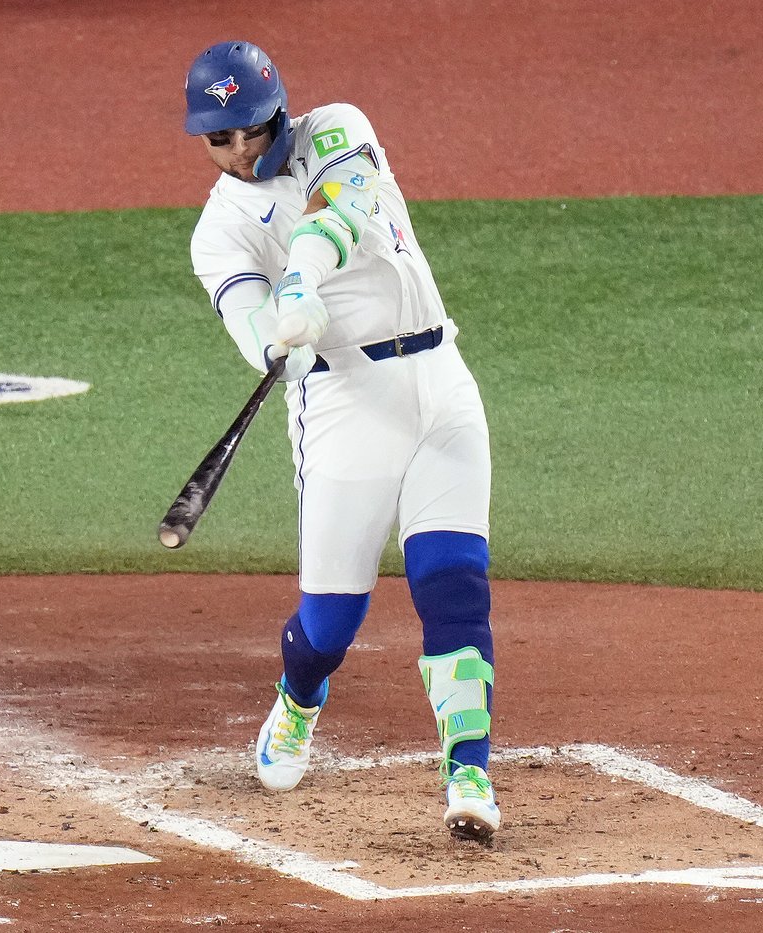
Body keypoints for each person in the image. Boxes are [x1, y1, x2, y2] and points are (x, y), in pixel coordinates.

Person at [183, 41, 500, 841]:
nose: (241, 150)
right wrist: (277, 338)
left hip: (440, 381)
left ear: (278, 109)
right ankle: (298, 697)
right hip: (344, 405)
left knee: (453, 584)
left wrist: (301, 278)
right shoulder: (217, 233)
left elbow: (344, 209)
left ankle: (470, 773)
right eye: (220, 138)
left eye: (250, 128)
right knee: (330, 622)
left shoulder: (338, 126)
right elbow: (252, 328)